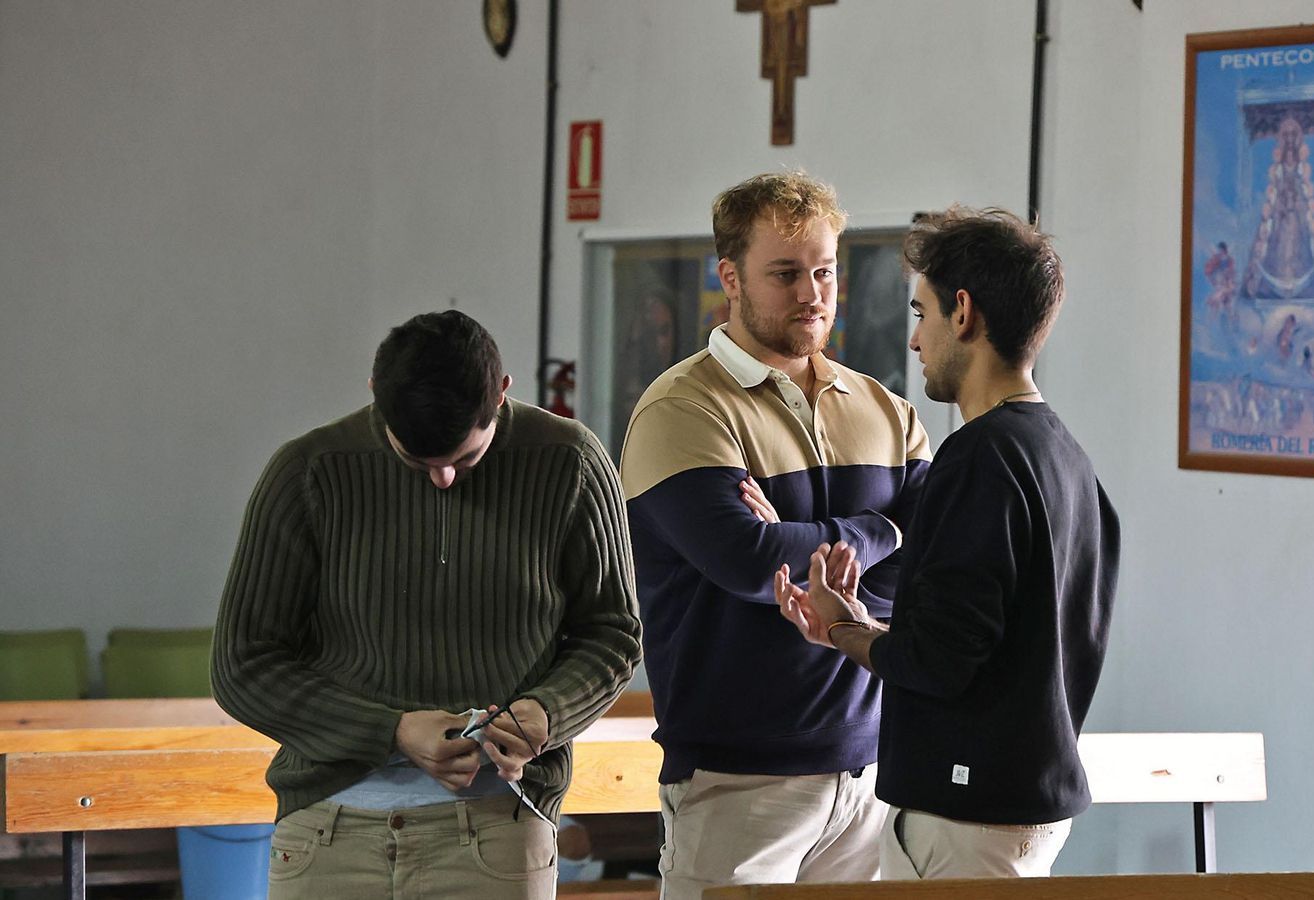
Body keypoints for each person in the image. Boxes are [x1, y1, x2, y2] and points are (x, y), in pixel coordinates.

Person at [212, 310, 642, 900]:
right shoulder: (309, 473)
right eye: (416, 462)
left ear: (503, 393)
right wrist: (390, 731)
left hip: (495, 829)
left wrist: (546, 713)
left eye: (466, 460)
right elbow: (243, 665)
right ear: (374, 399)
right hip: (329, 832)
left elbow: (613, 632)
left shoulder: (569, 463)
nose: (443, 479)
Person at [775, 207, 1120, 880]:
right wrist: (866, 624)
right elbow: (992, 638)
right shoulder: (1067, 456)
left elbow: (939, 662)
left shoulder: (979, 458)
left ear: (962, 313)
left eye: (920, 312)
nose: (915, 342)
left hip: (968, 815)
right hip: (1027, 803)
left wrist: (843, 629)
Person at [619, 172, 930, 898]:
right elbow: (753, 564)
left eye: (824, 271)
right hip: (736, 780)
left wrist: (806, 541)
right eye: (785, 274)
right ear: (729, 277)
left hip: (868, 774)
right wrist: (884, 530)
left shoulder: (884, 409)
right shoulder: (683, 409)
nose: (812, 293)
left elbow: (928, 567)